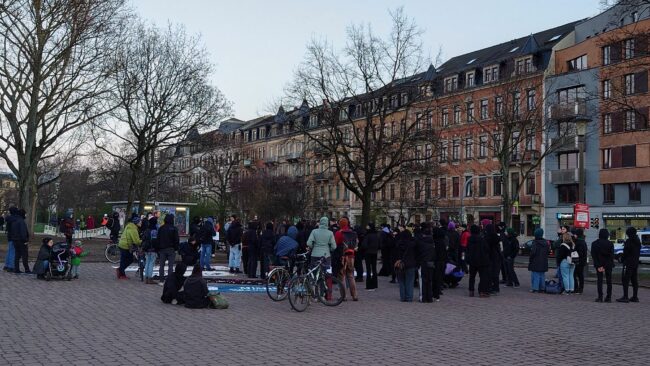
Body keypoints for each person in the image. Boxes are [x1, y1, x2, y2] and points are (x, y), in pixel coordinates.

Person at [335, 217, 359, 301]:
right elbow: (356, 245)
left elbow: (336, 244)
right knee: (351, 275)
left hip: (342, 256)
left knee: (342, 276)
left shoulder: (339, 233)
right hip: (351, 256)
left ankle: (344, 296)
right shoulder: (354, 233)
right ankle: (355, 295)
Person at [617, 227, 641, 303]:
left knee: (625, 280)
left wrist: (622, 259)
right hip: (635, 262)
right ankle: (635, 296)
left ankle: (625, 296)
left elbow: (626, 253)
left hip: (628, 263)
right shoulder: (637, 241)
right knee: (634, 280)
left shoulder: (629, 241)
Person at [466, 224, 490, 298]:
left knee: (472, 277)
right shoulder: (481, 239)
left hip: (472, 260)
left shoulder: (469, 239)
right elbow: (487, 249)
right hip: (481, 260)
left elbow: (467, 249)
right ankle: (482, 292)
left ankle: (471, 291)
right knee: (483, 277)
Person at [591, 228, 614, 303]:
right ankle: (608, 297)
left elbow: (594, 255)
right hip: (608, 264)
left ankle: (600, 297)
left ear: (599, 234)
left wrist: (599, 265)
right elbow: (611, 256)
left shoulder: (594, 243)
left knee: (600, 280)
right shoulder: (610, 244)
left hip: (599, 264)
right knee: (609, 281)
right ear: (607, 235)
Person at [395, 224, 416, 302]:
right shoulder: (413, 244)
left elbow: (395, 255)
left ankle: (402, 297)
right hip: (411, 264)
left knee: (401, 282)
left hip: (400, 264)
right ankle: (409, 297)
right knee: (410, 281)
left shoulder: (398, 244)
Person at [416, 222, 436, 303]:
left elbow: (418, 253)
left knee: (424, 280)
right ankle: (430, 298)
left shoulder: (420, 242)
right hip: (431, 262)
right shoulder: (432, 243)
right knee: (430, 280)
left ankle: (424, 298)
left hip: (423, 262)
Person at [157, 214, 179, 280]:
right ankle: (170, 280)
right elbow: (176, 239)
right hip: (171, 249)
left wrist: (158, 248)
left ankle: (161, 280)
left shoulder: (161, 228)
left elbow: (158, 239)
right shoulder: (174, 228)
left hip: (162, 249)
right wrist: (176, 248)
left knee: (161, 266)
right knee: (170, 266)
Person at [528, 228, 548, 293]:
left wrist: (530, 259)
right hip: (543, 261)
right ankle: (542, 288)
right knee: (542, 275)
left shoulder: (535, 242)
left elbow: (533, 253)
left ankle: (535, 288)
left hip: (535, 261)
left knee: (535, 275)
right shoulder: (546, 242)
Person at [361, 222, 381, 290]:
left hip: (368, 253)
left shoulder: (367, 235)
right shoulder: (376, 235)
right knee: (374, 269)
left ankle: (369, 285)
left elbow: (364, 245)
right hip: (374, 253)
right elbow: (379, 244)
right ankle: (375, 284)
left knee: (368, 269)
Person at [141, 217, 159, 284]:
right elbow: (155, 241)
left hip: (146, 248)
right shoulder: (154, 230)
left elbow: (143, 239)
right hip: (152, 249)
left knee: (147, 262)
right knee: (151, 263)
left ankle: (146, 277)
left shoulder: (147, 230)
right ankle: (150, 278)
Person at [12, 208, 30, 274]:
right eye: (25, 214)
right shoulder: (21, 221)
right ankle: (27, 270)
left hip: (15, 240)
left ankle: (16, 269)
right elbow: (23, 232)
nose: (26, 215)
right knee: (25, 255)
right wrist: (25, 240)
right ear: (23, 214)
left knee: (17, 255)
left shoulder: (15, 220)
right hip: (21, 241)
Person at [573, 228, 588, 294]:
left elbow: (579, 253)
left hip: (578, 261)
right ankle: (580, 288)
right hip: (582, 261)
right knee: (580, 275)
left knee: (575, 274)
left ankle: (577, 288)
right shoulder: (583, 241)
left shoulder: (578, 242)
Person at [3, 206, 18, 272]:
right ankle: (11, 266)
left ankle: (6, 265)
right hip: (14, 236)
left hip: (9, 236)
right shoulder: (15, 219)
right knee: (12, 251)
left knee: (9, 251)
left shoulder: (8, 218)